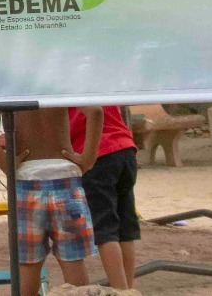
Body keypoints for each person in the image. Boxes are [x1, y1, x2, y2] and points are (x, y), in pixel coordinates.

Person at [0, 107, 103, 296]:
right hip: (65, 179)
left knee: (28, 264)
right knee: (73, 261)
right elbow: (96, 112)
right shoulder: (58, 82)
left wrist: (5, 163)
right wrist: (88, 158)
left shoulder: (11, 86)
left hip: (27, 182)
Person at [69, 106, 140, 290]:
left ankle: (120, 290)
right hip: (125, 148)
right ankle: (128, 289)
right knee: (125, 227)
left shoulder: (62, 85)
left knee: (105, 230)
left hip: (96, 154)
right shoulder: (98, 79)